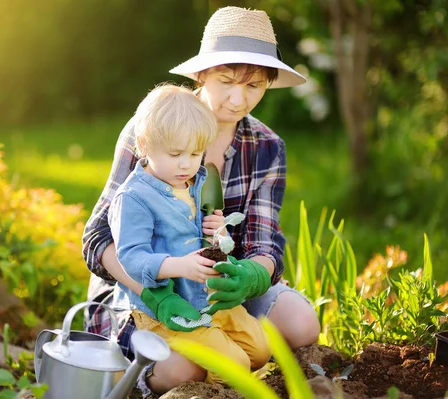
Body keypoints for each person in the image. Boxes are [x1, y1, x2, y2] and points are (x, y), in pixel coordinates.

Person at [82, 6, 320, 396]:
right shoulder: (154, 125)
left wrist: (252, 276)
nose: (237, 99)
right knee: (182, 371)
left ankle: (226, 357)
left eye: (254, 86)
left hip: (217, 290)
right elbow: (97, 237)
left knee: (301, 324)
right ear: (201, 74)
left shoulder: (267, 147)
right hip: (144, 291)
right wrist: (157, 297)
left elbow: (264, 241)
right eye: (226, 81)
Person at [108, 84, 272, 385]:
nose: (186, 163)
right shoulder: (134, 198)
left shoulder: (197, 182)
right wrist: (178, 265)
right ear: (144, 145)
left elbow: (208, 239)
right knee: (234, 363)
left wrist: (217, 233)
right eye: (175, 153)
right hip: (168, 308)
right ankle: (213, 388)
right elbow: (131, 257)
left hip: (207, 296)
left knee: (260, 349)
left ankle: (218, 358)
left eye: (195, 153)